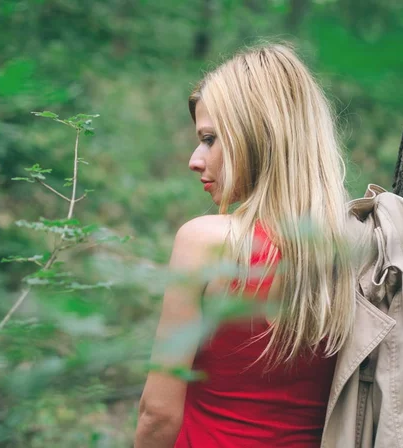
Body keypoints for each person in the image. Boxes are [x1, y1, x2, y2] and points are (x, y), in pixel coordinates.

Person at [134, 43, 356, 448]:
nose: (195, 160)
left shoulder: (206, 242)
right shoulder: (353, 246)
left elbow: (157, 413)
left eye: (210, 139)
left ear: (257, 135)